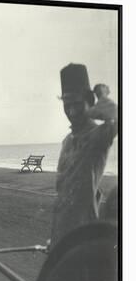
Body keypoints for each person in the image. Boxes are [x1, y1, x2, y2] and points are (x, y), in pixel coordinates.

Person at [49, 63, 118, 249]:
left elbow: (117, 115)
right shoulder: (67, 141)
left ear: (89, 101)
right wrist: (55, 237)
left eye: (77, 104)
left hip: (84, 239)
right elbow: (62, 196)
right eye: (66, 105)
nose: (71, 111)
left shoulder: (98, 136)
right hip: (61, 236)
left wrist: (101, 95)